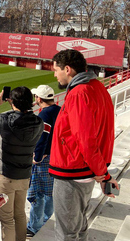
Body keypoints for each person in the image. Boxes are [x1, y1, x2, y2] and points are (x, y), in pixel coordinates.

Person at [50, 49, 119, 241]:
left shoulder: (80, 92)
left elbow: (85, 139)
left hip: (73, 170)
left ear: (68, 69)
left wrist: (103, 173)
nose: (55, 74)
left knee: (67, 232)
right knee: (78, 226)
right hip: (85, 169)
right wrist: (101, 170)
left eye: (56, 70)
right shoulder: (96, 87)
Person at [0, 87, 43, 241]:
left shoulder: (5, 122)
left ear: (11, 100)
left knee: (7, 218)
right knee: (20, 214)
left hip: (5, 176)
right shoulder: (38, 122)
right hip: (24, 176)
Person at [26, 85, 61, 237]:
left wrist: (37, 158)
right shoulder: (61, 110)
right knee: (51, 193)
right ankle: (48, 220)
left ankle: (34, 227)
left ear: (39, 98)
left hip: (45, 160)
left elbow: (42, 139)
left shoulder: (44, 115)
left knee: (38, 194)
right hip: (58, 158)